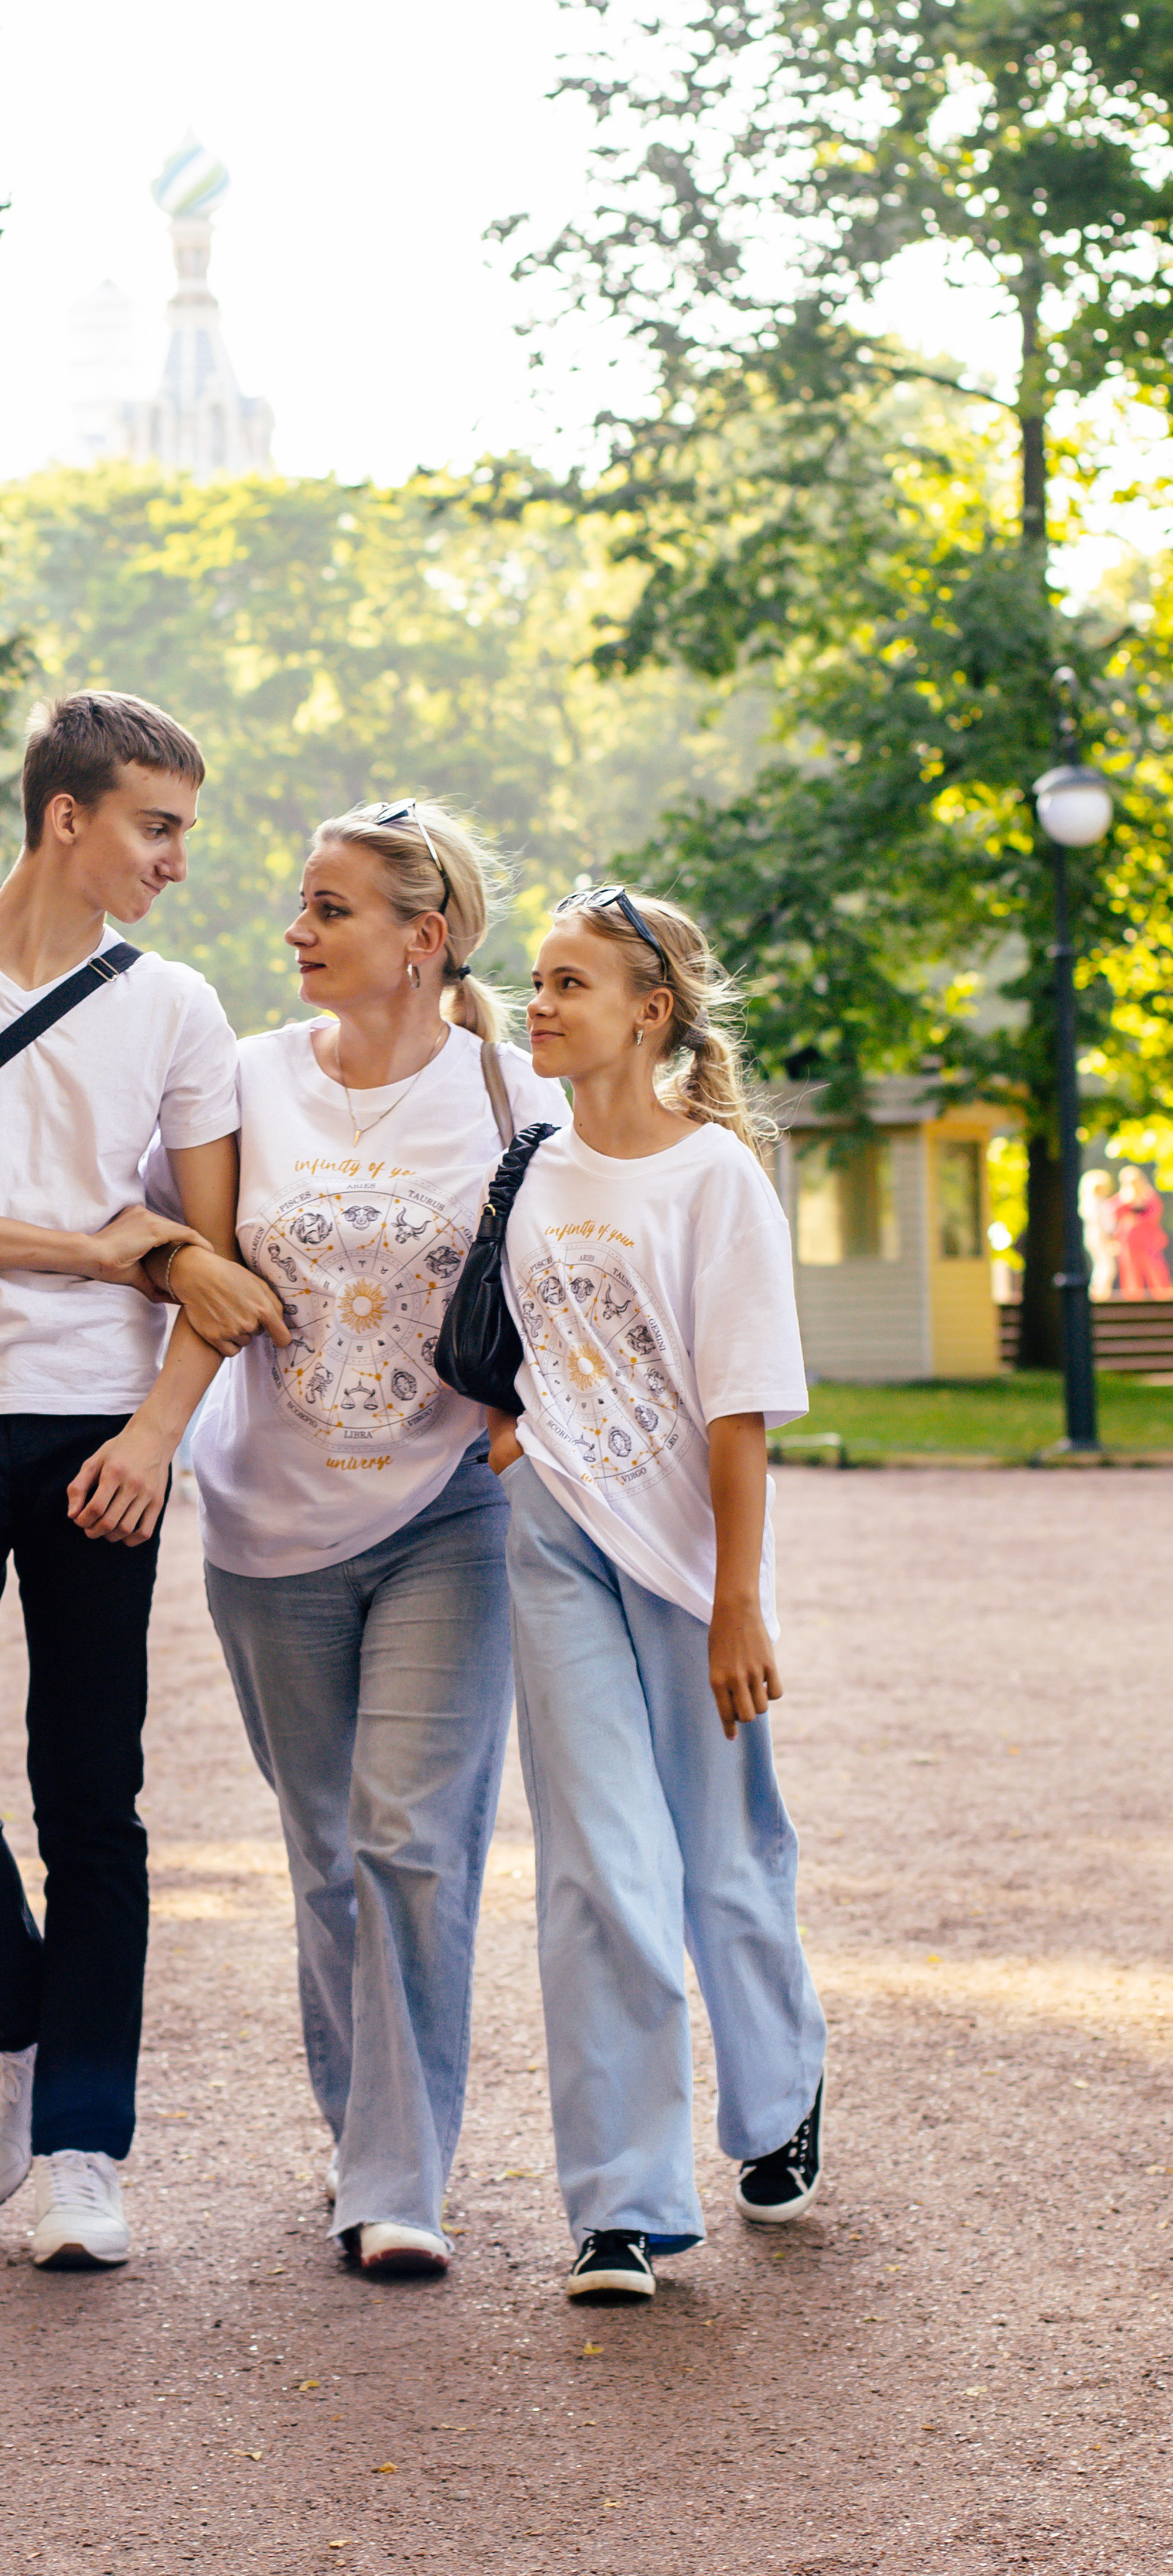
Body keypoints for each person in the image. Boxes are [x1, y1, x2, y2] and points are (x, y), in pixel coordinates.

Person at [0, 691, 283, 2272]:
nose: (175, 861)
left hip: (100, 1429)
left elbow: (209, 1265)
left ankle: (85, 2142)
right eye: (154, 826)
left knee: (93, 1798)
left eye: (184, 832)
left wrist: (155, 1434)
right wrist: (90, 1245)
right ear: (64, 816)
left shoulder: (177, 1009)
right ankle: (17, 2034)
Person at [186, 800, 549, 2276]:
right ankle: (359, 2124)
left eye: (329, 908)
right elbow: (180, 1260)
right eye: (299, 903)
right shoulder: (241, 1081)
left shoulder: (517, 1092)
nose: (295, 930)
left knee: (411, 1840)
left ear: (427, 937)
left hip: (446, 1514)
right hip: (263, 1524)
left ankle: (395, 2181)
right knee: (325, 1846)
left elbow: (583, 1279)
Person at [485, 886, 827, 2305]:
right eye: (536, 980)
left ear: (651, 1012)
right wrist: (514, 1439)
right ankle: (619, 2204)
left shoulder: (711, 1180)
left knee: (719, 1852)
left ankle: (774, 2095)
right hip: (552, 1538)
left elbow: (736, 1411)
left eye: (570, 984)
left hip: (686, 1566)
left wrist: (737, 1601)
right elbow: (508, 1330)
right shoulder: (534, 1163)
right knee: (596, 1867)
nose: (540, 1004)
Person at [1113, 1164, 1170, 1299]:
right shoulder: (1122, 1198)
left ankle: (1163, 1296)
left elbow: (1154, 1216)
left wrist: (1136, 1218)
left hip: (1148, 1239)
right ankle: (1132, 1299)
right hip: (1129, 1240)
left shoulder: (1150, 1196)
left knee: (1155, 1267)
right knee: (1130, 1269)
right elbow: (1116, 1214)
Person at [1081, 1170, 1120, 1302]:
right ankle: (1099, 1293)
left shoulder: (1090, 1203)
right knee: (1106, 1265)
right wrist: (1110, 1238)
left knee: (1102, 1264)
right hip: (1100, 1236)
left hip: (1094, 1236)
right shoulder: (1098, 1204)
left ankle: (1100, 1292)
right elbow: (1105, 1224)